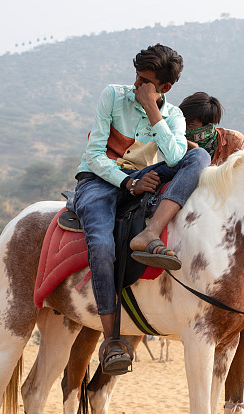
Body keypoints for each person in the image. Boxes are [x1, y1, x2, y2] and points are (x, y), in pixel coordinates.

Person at [73, 44, 210, 375]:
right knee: (101, 244)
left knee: (199, 156)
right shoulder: (113, 95)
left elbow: (175, 158)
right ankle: (112, 340)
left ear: (165, 87)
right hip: (99, 181)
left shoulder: (173, 115)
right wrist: (129, 183)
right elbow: (94, 154)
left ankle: (150, 233)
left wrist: (152, 109)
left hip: (143, 177)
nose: (136, 85)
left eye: (145, 81)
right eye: (137, 76)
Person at [178, 92, 244, 166]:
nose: (184, 128)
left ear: (207, 127)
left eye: (190, 124)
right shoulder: (177, 144)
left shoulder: (234, 141)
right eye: (182, 123)